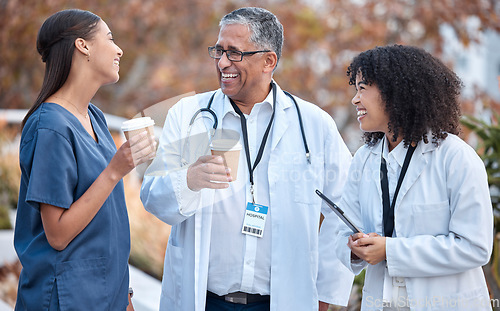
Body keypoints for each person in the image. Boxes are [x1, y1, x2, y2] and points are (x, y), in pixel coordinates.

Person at [140, 6, 354, 311]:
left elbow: (345, 211)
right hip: (203, 300)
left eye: (235, 53)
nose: (223, 62)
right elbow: (152, 197)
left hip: (282, 302)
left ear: (269, 61)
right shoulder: (192, 117)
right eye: (218, 51)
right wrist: (187, 181)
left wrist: (324, 297)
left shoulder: (313, 124)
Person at [333, 44, 493, 310]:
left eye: (363, 88)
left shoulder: (455, 157)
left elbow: (475, 246)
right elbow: (343, 232)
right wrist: (354, 247)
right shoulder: (364, 158)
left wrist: (391, 250)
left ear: (394, 92)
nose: (355, 99)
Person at [14, 9, 156, 310]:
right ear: (83, 46)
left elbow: (106, 223)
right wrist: (114, 171)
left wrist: (124, 294)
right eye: (110, 38)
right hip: (65, 299)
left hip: (107, 297)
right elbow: (58, 234)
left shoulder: (95, 117)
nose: (119, 49)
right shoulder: (50, 126)